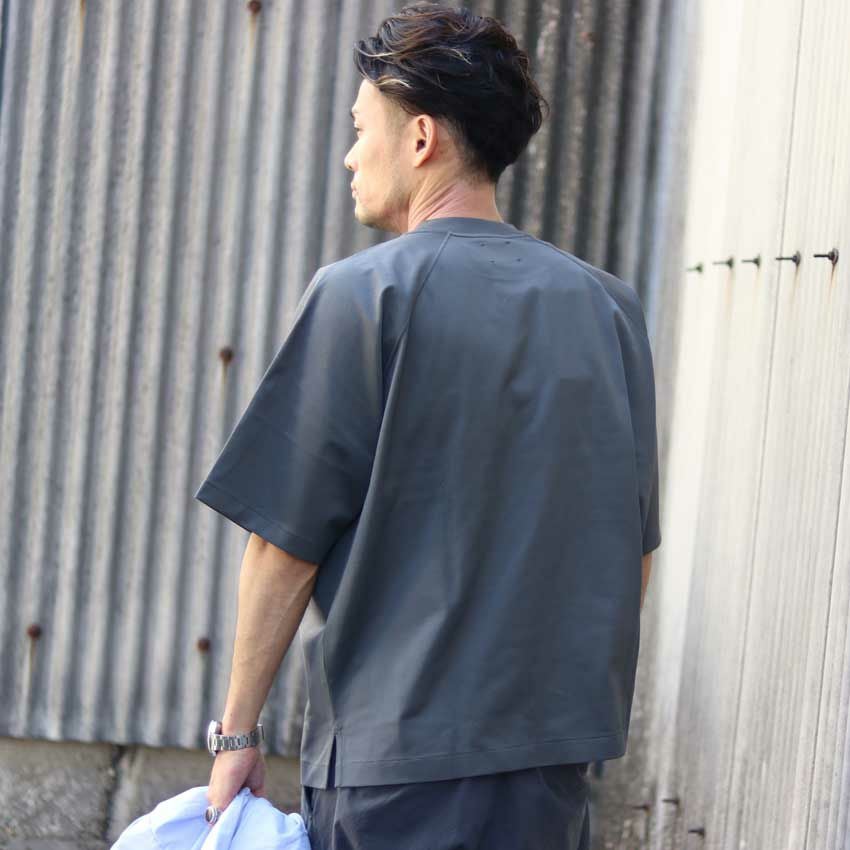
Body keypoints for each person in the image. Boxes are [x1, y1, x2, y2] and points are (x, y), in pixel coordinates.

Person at [193, 3, 661, 849]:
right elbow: (632, 552)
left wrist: (237, 736)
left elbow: (283, 546)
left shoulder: (363, 295)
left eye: (359, 129)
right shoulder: (609, 308)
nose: (349, 155)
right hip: (548, 775)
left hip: (394, 771)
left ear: (419, 139)